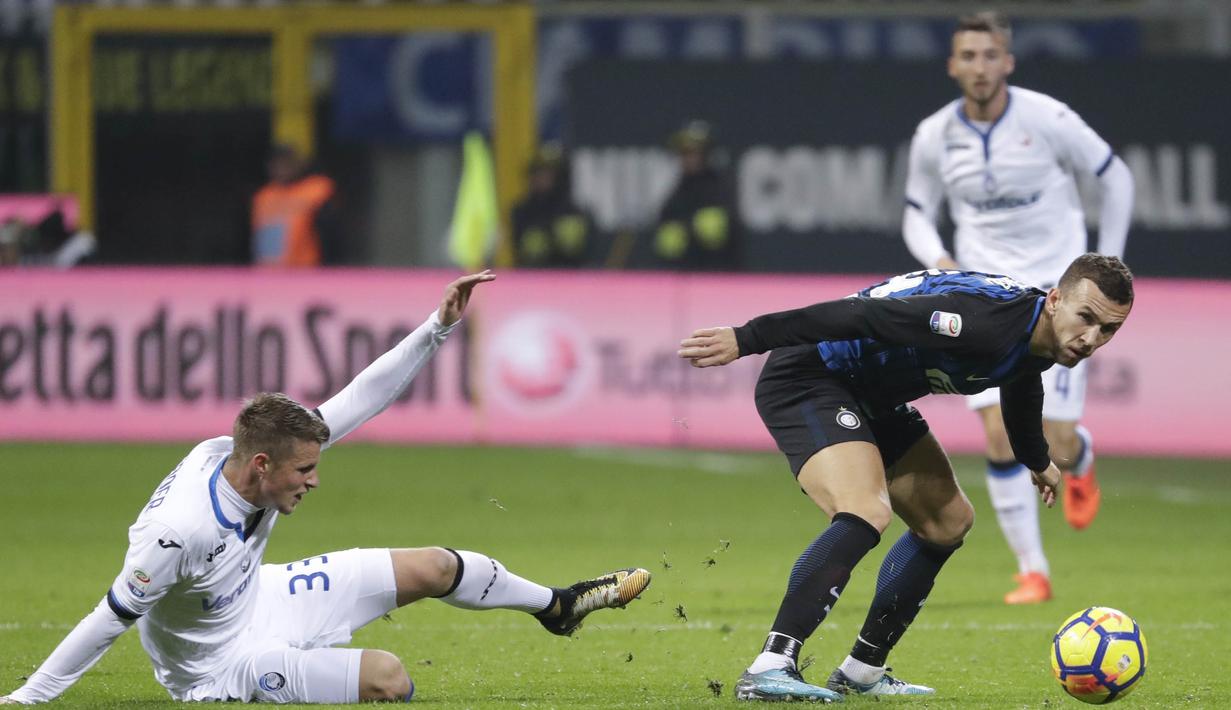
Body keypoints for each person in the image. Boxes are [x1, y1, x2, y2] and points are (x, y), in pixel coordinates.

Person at [0, 271, 651, 705]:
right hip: (214, 666)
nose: (314, 479)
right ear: (261, 465)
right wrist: (26, 700)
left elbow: (359, 398)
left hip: (263, 596)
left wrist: (437, 327)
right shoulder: (182, 531)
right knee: (391, 678)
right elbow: (107, 619)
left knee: (436, 565)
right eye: (303, 471)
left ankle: (556, 607)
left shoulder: (237, 456)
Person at [677, 254, 1133, 701]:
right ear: (1055, 299)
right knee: (865, 510)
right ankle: (770, 665)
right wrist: (748, 337)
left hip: (873, 396)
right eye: (1086, 317)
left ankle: (862, 671)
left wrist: (1036, 459)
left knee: (948, 521)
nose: (1092, 338)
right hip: (811, 376)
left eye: (1109, 329)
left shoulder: (1040, 334)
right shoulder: (978, 321)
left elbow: (1020, 375)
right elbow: (859, 316)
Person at [902, 11, 1134, 605]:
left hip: (1061, 303)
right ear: (953, 65)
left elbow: (1117, 178)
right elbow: (915, 210)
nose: (980, 67)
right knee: (1000, 433)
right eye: (968, 56)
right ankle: (1034, 570)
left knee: (1049, 440)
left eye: (990, 55)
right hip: (987, 300)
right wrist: (940, 259)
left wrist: (1109, 261)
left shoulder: (1047, 119)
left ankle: (1078, 454)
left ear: (1007, 61)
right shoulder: (934, 135)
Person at [650, 120, 741, 271]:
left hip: (719, 276)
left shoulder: (720, 187)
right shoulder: (678, 189)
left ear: (707, 153)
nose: (688, 158)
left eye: (694, 152)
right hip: (681, 279)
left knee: (711, 224)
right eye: (684, 152)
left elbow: (731, 235)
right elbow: (665, 232)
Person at [251, 143, 339, 268]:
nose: (281, 169)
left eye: (286, 164)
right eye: (276, 164)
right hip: (267, 270)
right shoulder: (264, 196)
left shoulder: (316, 190)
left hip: (305, 270)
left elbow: (331, 233)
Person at [510, 142, 596, 268]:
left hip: (572, 280)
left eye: (547, 174)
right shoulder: (521, 211)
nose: (541, 179)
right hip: (534, 281)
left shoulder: (576, 212)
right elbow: (528, 251)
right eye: (537, 173)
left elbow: (577, 251)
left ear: (560, 177)